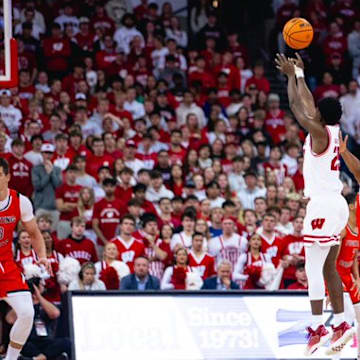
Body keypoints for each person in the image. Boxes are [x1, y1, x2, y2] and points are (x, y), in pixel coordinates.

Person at [275, 53, 353, 356]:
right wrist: (298, 74)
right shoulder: (331, 130)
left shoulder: (319, 132)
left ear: (321, 114)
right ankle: (343, 323)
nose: (313, 109)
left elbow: (297, 106)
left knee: (313, 266)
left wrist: (292, 77)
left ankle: (319, 325)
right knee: (330, 267)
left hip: (322, 205)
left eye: (316, 109)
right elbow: (306, 103)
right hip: (337, 203)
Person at [0, 158, 50, 360]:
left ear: (8, 177)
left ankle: (11, 359)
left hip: (6, 264)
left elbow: (35, 233)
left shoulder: (21, 201)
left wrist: (43, 256)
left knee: (27, 313)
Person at [5, 277, 71, 360]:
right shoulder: (23, 304)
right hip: (29, 341)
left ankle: (40, 358)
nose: (44, 287)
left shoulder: (45, 303)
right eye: (42, 285)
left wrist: (38, 296)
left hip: (46, 341)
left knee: (65, 342)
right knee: (19, 342)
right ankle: (43, 357)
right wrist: (26, 297)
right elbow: (10, 320)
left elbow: (55, 313)